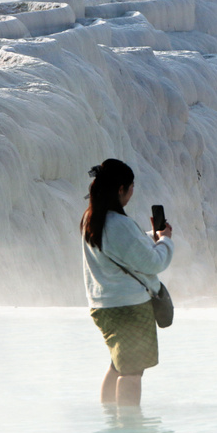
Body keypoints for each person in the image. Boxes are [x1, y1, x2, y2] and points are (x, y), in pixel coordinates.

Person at [81, 158, 173, 406]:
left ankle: (111, 422)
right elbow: (154, 263)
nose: (133, 191)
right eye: (131, 186)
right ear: (120, 189)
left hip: (103, 305)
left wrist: (150, 237)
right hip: (129, 307)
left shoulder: (92, 218)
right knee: (132, 372)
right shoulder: (118, 223)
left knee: (118, 365)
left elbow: (119, 247)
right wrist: (165, 241)